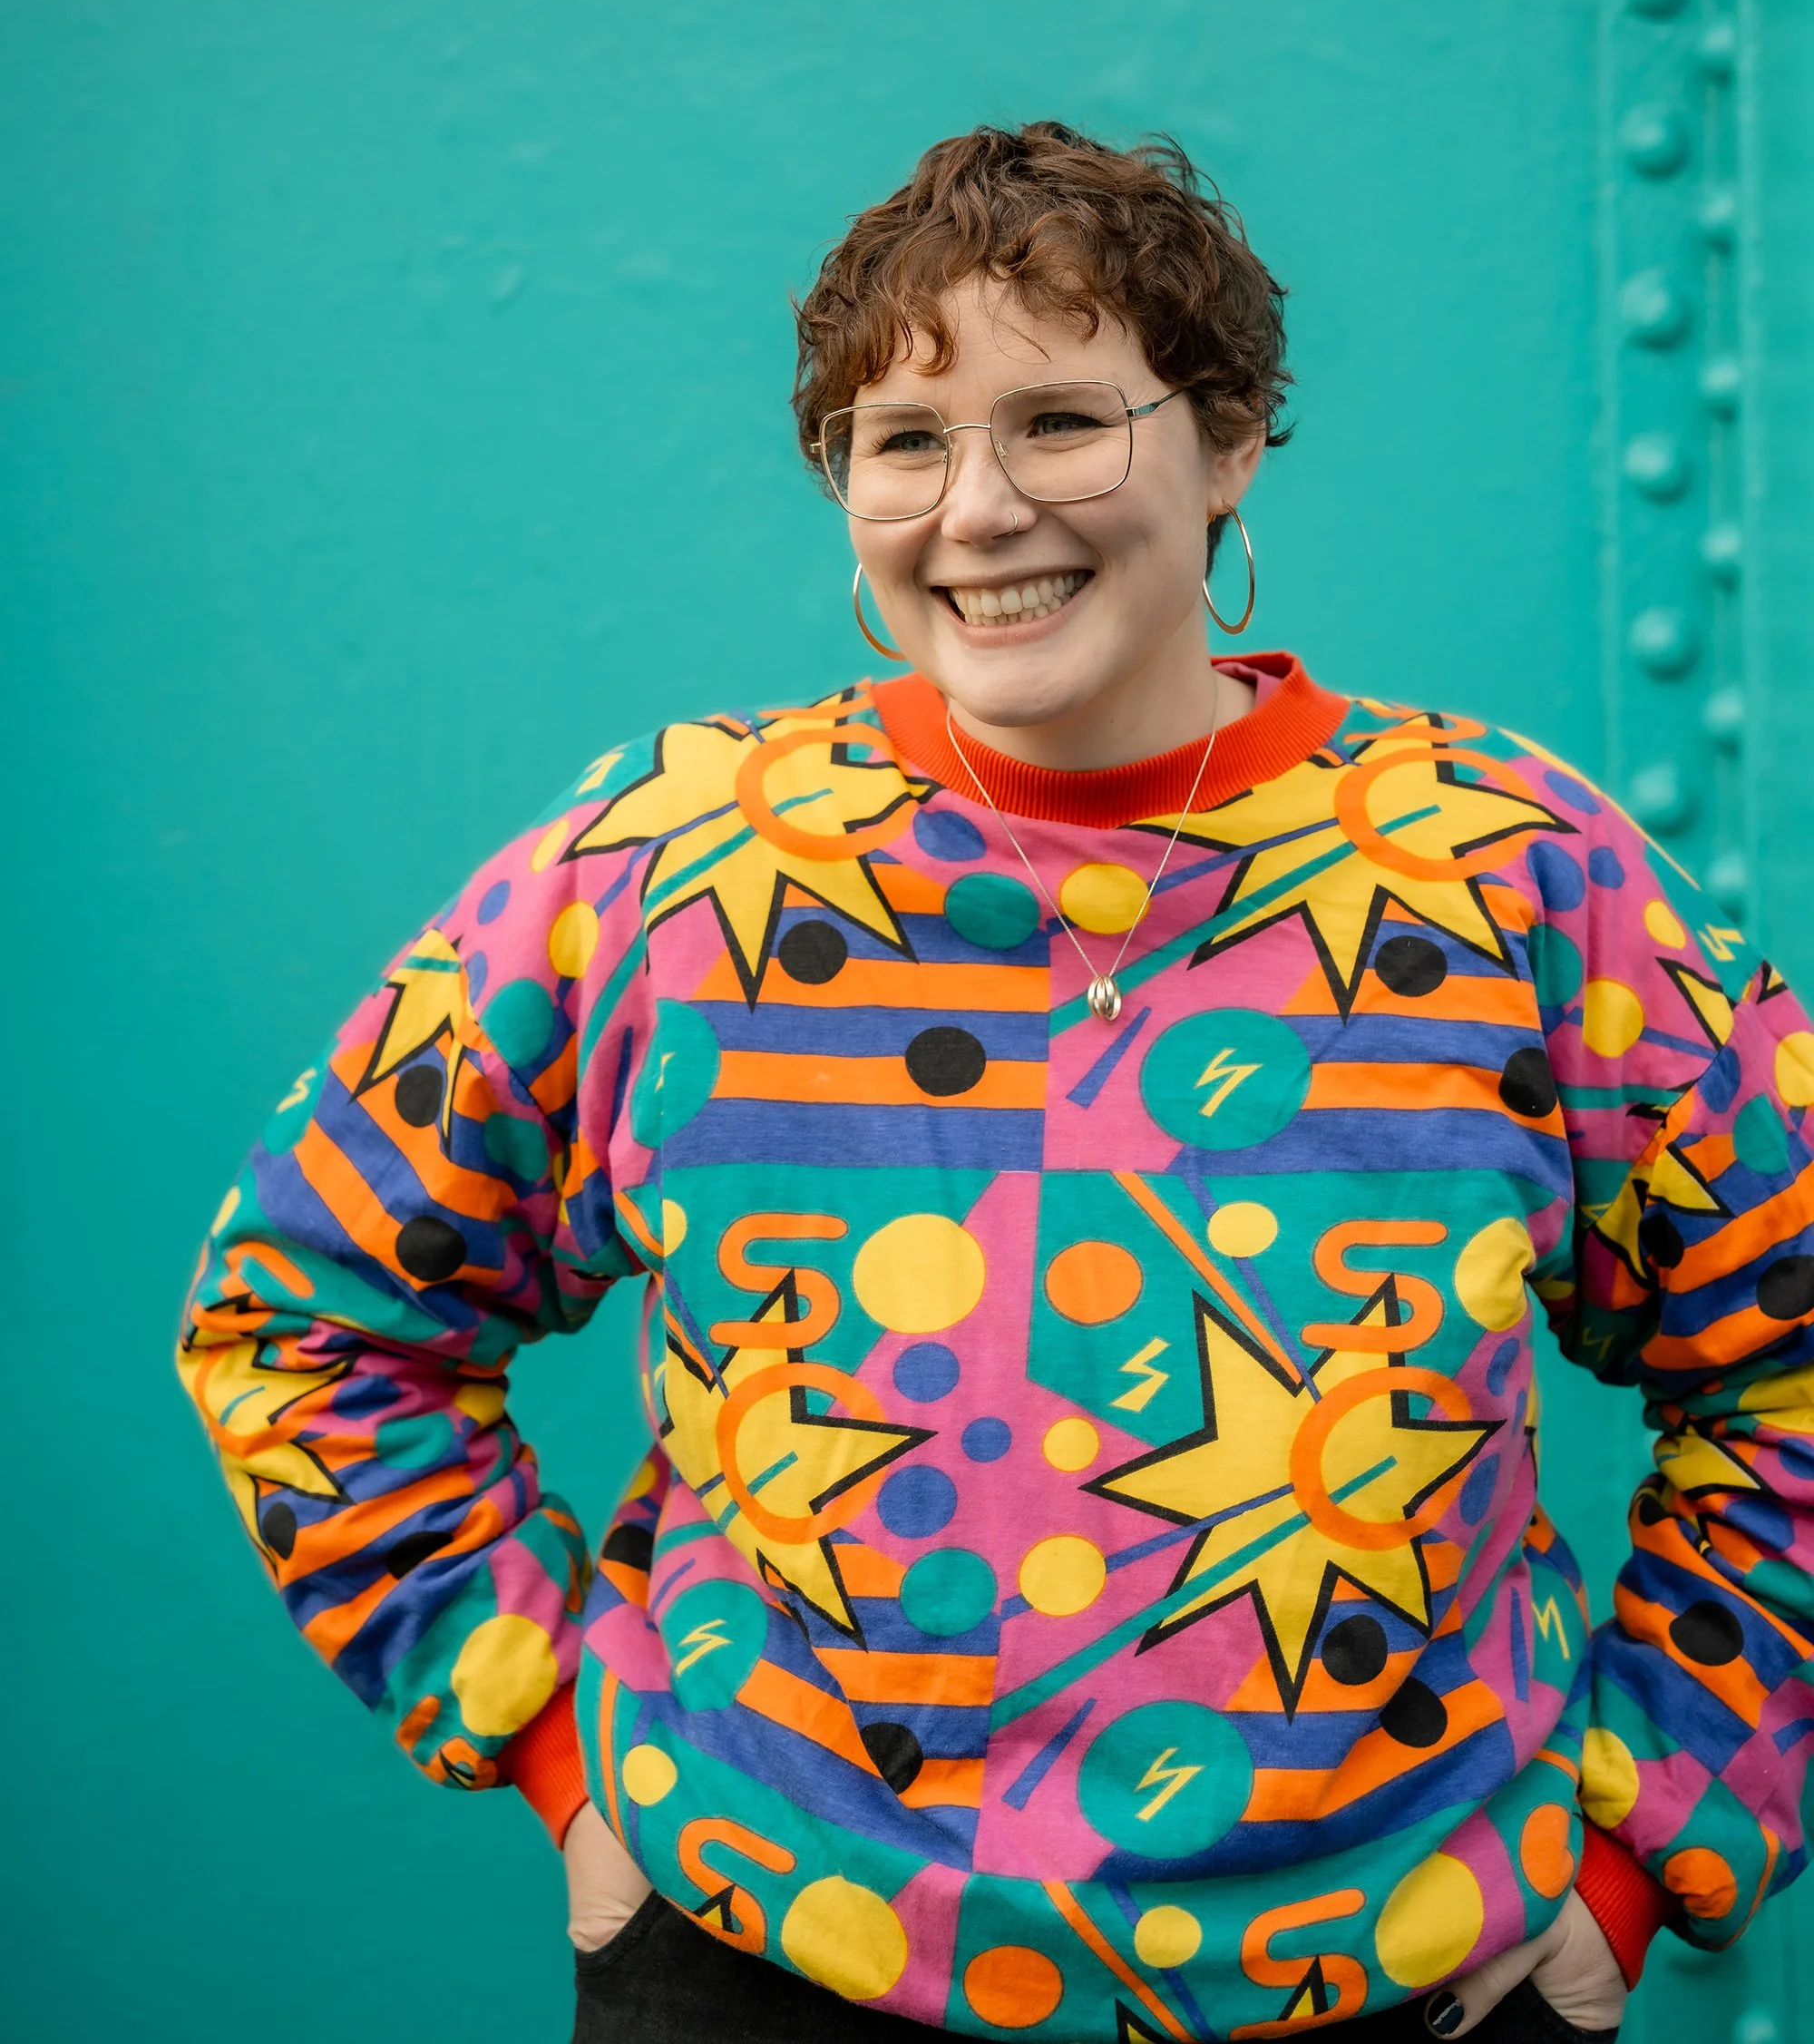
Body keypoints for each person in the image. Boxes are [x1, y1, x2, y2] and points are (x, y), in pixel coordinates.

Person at [180, 122, 1814, 2044]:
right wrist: (552, 1748)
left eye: (1059, 423)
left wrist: (1643, 1853)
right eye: (904, 441)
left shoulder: (1511, 869)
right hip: (764, 1968)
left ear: (1228, 444)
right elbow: (301, 1314)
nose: (976, 510)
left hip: (1409, 1989)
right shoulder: (668, 863)